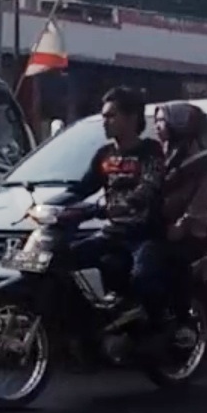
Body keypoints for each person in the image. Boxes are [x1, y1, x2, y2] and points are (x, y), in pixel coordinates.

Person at [65, 87, 165, 329]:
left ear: (131, 118)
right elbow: (82, 188)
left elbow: (147, 189)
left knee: (142, 278)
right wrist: (49, 206)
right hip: (111, 233)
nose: (105, 122)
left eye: (111, 116)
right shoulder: (104, 154)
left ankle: (153, 328)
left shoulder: (150, 151)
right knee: (61, 258)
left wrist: (105, 208)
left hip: (143, 236)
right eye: (104, 116)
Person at [155, 102, 207, 334]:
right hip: (162, 228)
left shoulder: (203, 162)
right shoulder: (165, 159)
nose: (157, 127)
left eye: (162, 121)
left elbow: (200, 204)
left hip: (193, 236)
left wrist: (183, 223)